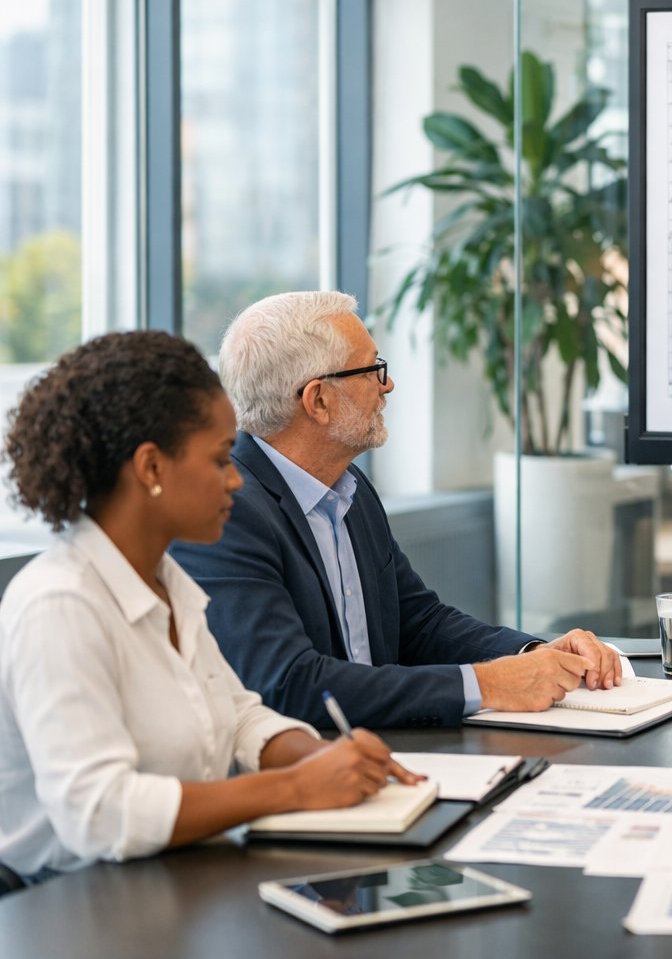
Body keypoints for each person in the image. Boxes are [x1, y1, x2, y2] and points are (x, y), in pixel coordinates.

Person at [0, 331, 418, 882]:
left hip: (169, 878)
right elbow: (99, 814)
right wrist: (294, 786)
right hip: (71, 901)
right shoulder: (60, 605)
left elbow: (236, 715)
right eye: (221, 459)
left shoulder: (165, 579)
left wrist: (321, 755)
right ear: (152, 468)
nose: (236, 478)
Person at [171, 292, 621, 730]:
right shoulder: (225, 511)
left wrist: (534, 656)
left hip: (384, 748)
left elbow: (418, 623)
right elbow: (289, 684)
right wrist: (487, 685)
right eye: (372, 370)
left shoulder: (349, 487)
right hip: (310, 765)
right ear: (318, 400)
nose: (387, 385)